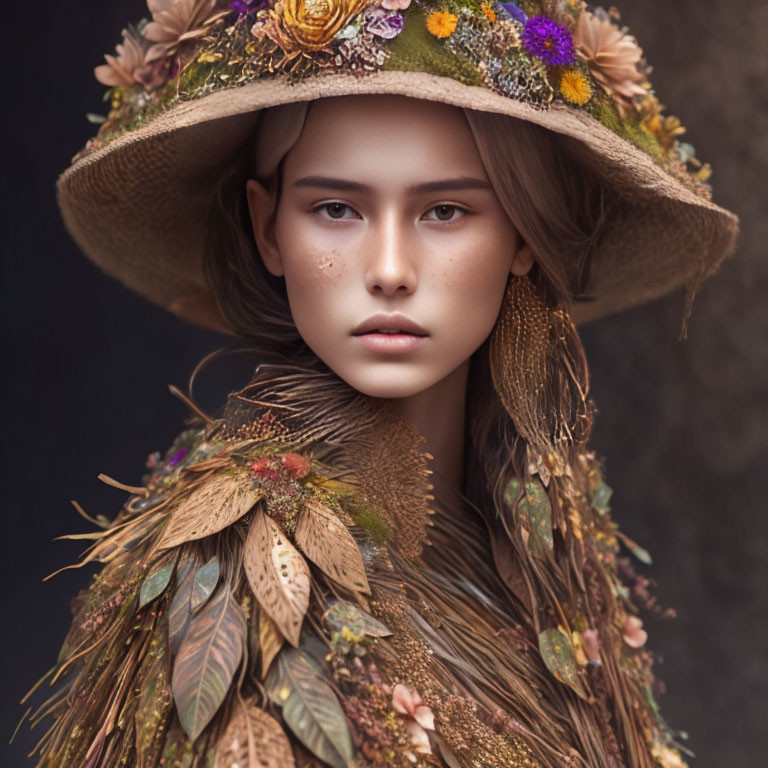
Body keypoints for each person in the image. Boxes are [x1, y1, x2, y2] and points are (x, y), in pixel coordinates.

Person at [21, 1, 739, 767]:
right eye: (335, 208)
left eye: (445, 210)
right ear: (269, 229)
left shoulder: (541, 541)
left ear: (523, 235)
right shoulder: (237, 567)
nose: (390, 271)